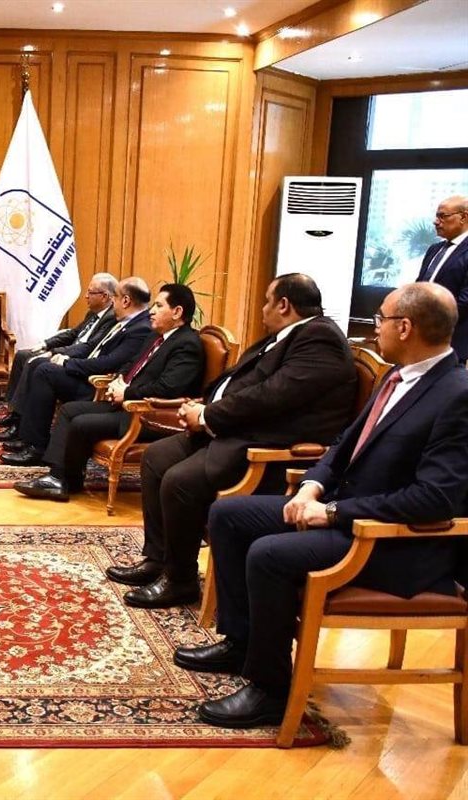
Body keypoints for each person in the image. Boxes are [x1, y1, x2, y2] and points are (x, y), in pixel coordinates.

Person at [177, 282, 468, 729]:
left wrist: (334, 513)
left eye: (381, 319)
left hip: (392, 543)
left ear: (405, 327)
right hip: (344, 513)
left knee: (269, 554)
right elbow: (343, 446)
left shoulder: (455, 395)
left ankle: (270, 691)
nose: (375, 329)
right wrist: (311, 487)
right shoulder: (398, 376)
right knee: (229, 515)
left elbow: (435, 499)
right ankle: (242, 642)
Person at [111, 273, 358, 609]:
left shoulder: (320, 339)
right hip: (233, 429)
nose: (262, 309)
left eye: (267, 301)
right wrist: (203, 407)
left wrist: (207, 416)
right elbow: (243, 383)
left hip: (267, 447)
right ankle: (158, 560)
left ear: (284, 305)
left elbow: (272, 396)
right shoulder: (290, 335)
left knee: (179, 481)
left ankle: (180, 580)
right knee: (156, 457)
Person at [13, 284, 205, 500]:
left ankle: (60, 479)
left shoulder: (187, 345)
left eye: (159, 306)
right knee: (69, 410)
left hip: (148, 415)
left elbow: (168, 388)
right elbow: (131, 363)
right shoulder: (156, 336)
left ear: (177, 312)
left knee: (81, 423)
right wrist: (119, 381)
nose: (151, 311)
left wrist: (128, 392)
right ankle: (65, 478)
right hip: (126, 404)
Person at [2, 276, 153, 466]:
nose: (112, 301)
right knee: (41, 366)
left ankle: (36, 447)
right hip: (87, 373)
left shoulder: (140, 329)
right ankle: (29, 439)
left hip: (96, 385)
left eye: (114, 296)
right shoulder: (123, 320)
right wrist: (63, 357)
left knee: (45, 371)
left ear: (125, 300)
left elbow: (108, 363)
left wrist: (68, 363)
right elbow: (91, 346)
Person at [0, 272, 119, 440]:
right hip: (69, 352)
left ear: (105, 296)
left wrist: (55, 352)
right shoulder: (93, 313)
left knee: (35, 363)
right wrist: (46, 344)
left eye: (90, 292)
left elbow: (88, 348)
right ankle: (15, 413)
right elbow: (72, 334)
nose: (86, 296)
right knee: (22, 355)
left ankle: (21, 422)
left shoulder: (112, 318)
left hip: (77, 361)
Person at [418, 195, 468, 363]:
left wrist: (430, 322)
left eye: (442, 216)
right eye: (436, 216)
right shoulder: (434, 249)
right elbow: (420, 286)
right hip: (420, 337)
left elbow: (465, 301)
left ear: (463, 217)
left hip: (450, 341)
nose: (436, 222)